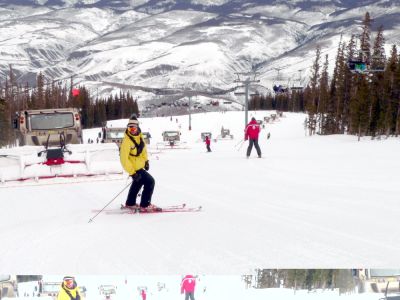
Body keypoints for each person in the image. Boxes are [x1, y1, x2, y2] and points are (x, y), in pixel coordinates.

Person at [120, 114, 157, 211]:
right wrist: (132, 173)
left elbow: (143, 151)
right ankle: (145, 205)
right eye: (130, 128)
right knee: (150, 182)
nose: (132, 130)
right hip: (134, 168)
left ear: (137, 127)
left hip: (140, 166)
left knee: (138, 182)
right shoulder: (126, 141)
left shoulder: (140, 137)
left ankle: (130, 203)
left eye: (134, 128)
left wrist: (146, 161)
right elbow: (124, 159)